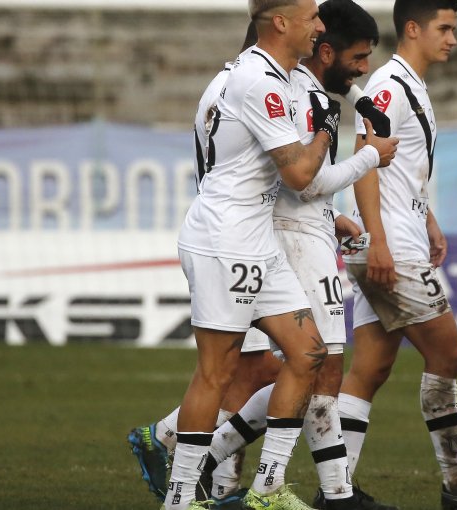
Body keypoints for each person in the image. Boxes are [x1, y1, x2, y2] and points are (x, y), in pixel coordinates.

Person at [192, 1, 400, 509]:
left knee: (300, 363)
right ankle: (315, 490)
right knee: (304, 366)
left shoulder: (264, 81)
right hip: (278, 234)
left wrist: (332, 216)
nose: (362, 68)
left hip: (290, 231)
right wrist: (369, 156)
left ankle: (221, 468)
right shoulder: (276, 87)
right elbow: (299, 178)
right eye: (356, 57)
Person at [163, 0, 340, 508]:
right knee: (216, 374)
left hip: (256, 239)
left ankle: (266, 489)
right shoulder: (257, 82)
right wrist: (326, 127)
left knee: (308, 352)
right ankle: (179, 498)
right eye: (312, 17)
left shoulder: (273, 75)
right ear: (281, 22)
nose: (321, 26)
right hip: (224, 241)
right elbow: (300, 175)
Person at [336, 1, 457, 509]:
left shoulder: (411, 86)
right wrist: (380, 239)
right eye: (444, 28)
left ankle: (335, 489)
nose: (453, 38)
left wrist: (426, 215)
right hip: (390, 246)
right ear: (413, 28)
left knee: (370, 367)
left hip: (397, 235)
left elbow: (399, 168)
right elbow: (365, 162)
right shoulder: (389, 86)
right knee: (447, 353)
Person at [127, 21, 284, 506]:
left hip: (249, 238)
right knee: (246, 370)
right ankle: (175, 444)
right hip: (239, 241)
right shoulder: (252, 89)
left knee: (254, 368)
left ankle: (212, 478)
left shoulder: (223, 85)